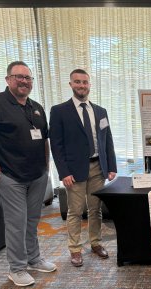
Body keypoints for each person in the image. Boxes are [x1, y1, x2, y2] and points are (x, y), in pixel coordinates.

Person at [0, 61, 57, 287]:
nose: (24, 81)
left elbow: (44, 140)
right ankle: (17, 268)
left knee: (32, 220)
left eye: (28, 78)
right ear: (8, 79)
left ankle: (33, 258)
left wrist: (46, 168)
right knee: (16, 223)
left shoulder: (35, 107)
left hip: (37, 176)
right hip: (10, 177)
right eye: (19, 76)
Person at [49, 69, 117, 267]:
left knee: (96, 210)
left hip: (98, 167)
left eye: (85, 82)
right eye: (77, 82)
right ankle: (75, 249)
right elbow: (56, 145)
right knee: (75, 211)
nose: (81, 85)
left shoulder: (100, 111)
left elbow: (107, 141)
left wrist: (111, 166)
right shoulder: (59, 111)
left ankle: (95, 243)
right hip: (74, 170)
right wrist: (63, 172)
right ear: (70, 84)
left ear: (89, 85)